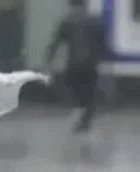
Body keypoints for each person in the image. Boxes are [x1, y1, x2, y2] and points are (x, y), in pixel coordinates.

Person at [45, 0, 108, 135]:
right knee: (89, 91)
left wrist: (48, 60)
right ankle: (87, 116)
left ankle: (82, 113)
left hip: (74, 64)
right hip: (90, 64)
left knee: (75, 88)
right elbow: (102, 43)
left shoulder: (67, 21)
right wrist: (101, 59)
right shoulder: (95, 21)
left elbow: (56, 42)